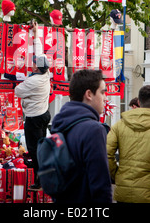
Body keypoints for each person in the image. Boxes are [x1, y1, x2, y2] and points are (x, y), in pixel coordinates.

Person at [50, 69, 112, 203]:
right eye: (102, 92)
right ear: (89, 94)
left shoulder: (60, 123)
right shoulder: (94, 130)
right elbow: (101, 184)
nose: (105, 98)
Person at [14, 22, 51, 189]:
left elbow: (18, 91)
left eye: (35, 62)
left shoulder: (33, 81)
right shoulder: (45, 73)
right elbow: (40, 51)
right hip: (43, 114)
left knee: (34, 149)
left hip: (34, 118)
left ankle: (40, 181)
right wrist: (36, 34)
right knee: (41, 147)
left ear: (37, 67)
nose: (33, 63)